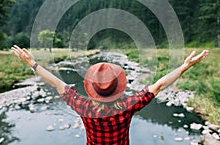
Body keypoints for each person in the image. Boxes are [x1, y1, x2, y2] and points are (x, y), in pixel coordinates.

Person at [11, 45, 208, 145]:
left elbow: (56, 82)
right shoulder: (127, 106)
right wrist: (184, 66)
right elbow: (160, 85)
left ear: (92, 88)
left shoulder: (83, 105)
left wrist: (32, 63)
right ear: (117, 88)